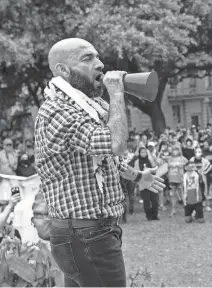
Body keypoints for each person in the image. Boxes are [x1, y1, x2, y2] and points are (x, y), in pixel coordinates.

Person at [34, 38, 165, 287]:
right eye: (87, 58)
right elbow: (115, 144)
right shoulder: (58, 111)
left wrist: (138, 176)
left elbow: (105, 160)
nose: (100, 64)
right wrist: (117, 93)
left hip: (85, 234)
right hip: (86, 235)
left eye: (97, 56)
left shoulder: (89, 107)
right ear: (63, 70)